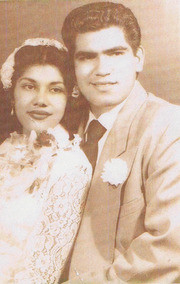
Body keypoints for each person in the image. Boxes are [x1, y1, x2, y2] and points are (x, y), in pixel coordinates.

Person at [61, 2, 180, 283]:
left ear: (138, 58)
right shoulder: (62, 131)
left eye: (115, 53)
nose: (102, 69)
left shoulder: (168, 126)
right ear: (73, 65)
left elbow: (169, 248)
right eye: (87, 57)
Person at [0, 38, 92, 283]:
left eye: (55, 89)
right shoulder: (5, 149)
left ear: (68, 98)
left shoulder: (71, 167)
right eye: (29, 86)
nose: (40, 100)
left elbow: (40, 276)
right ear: (12, 95)